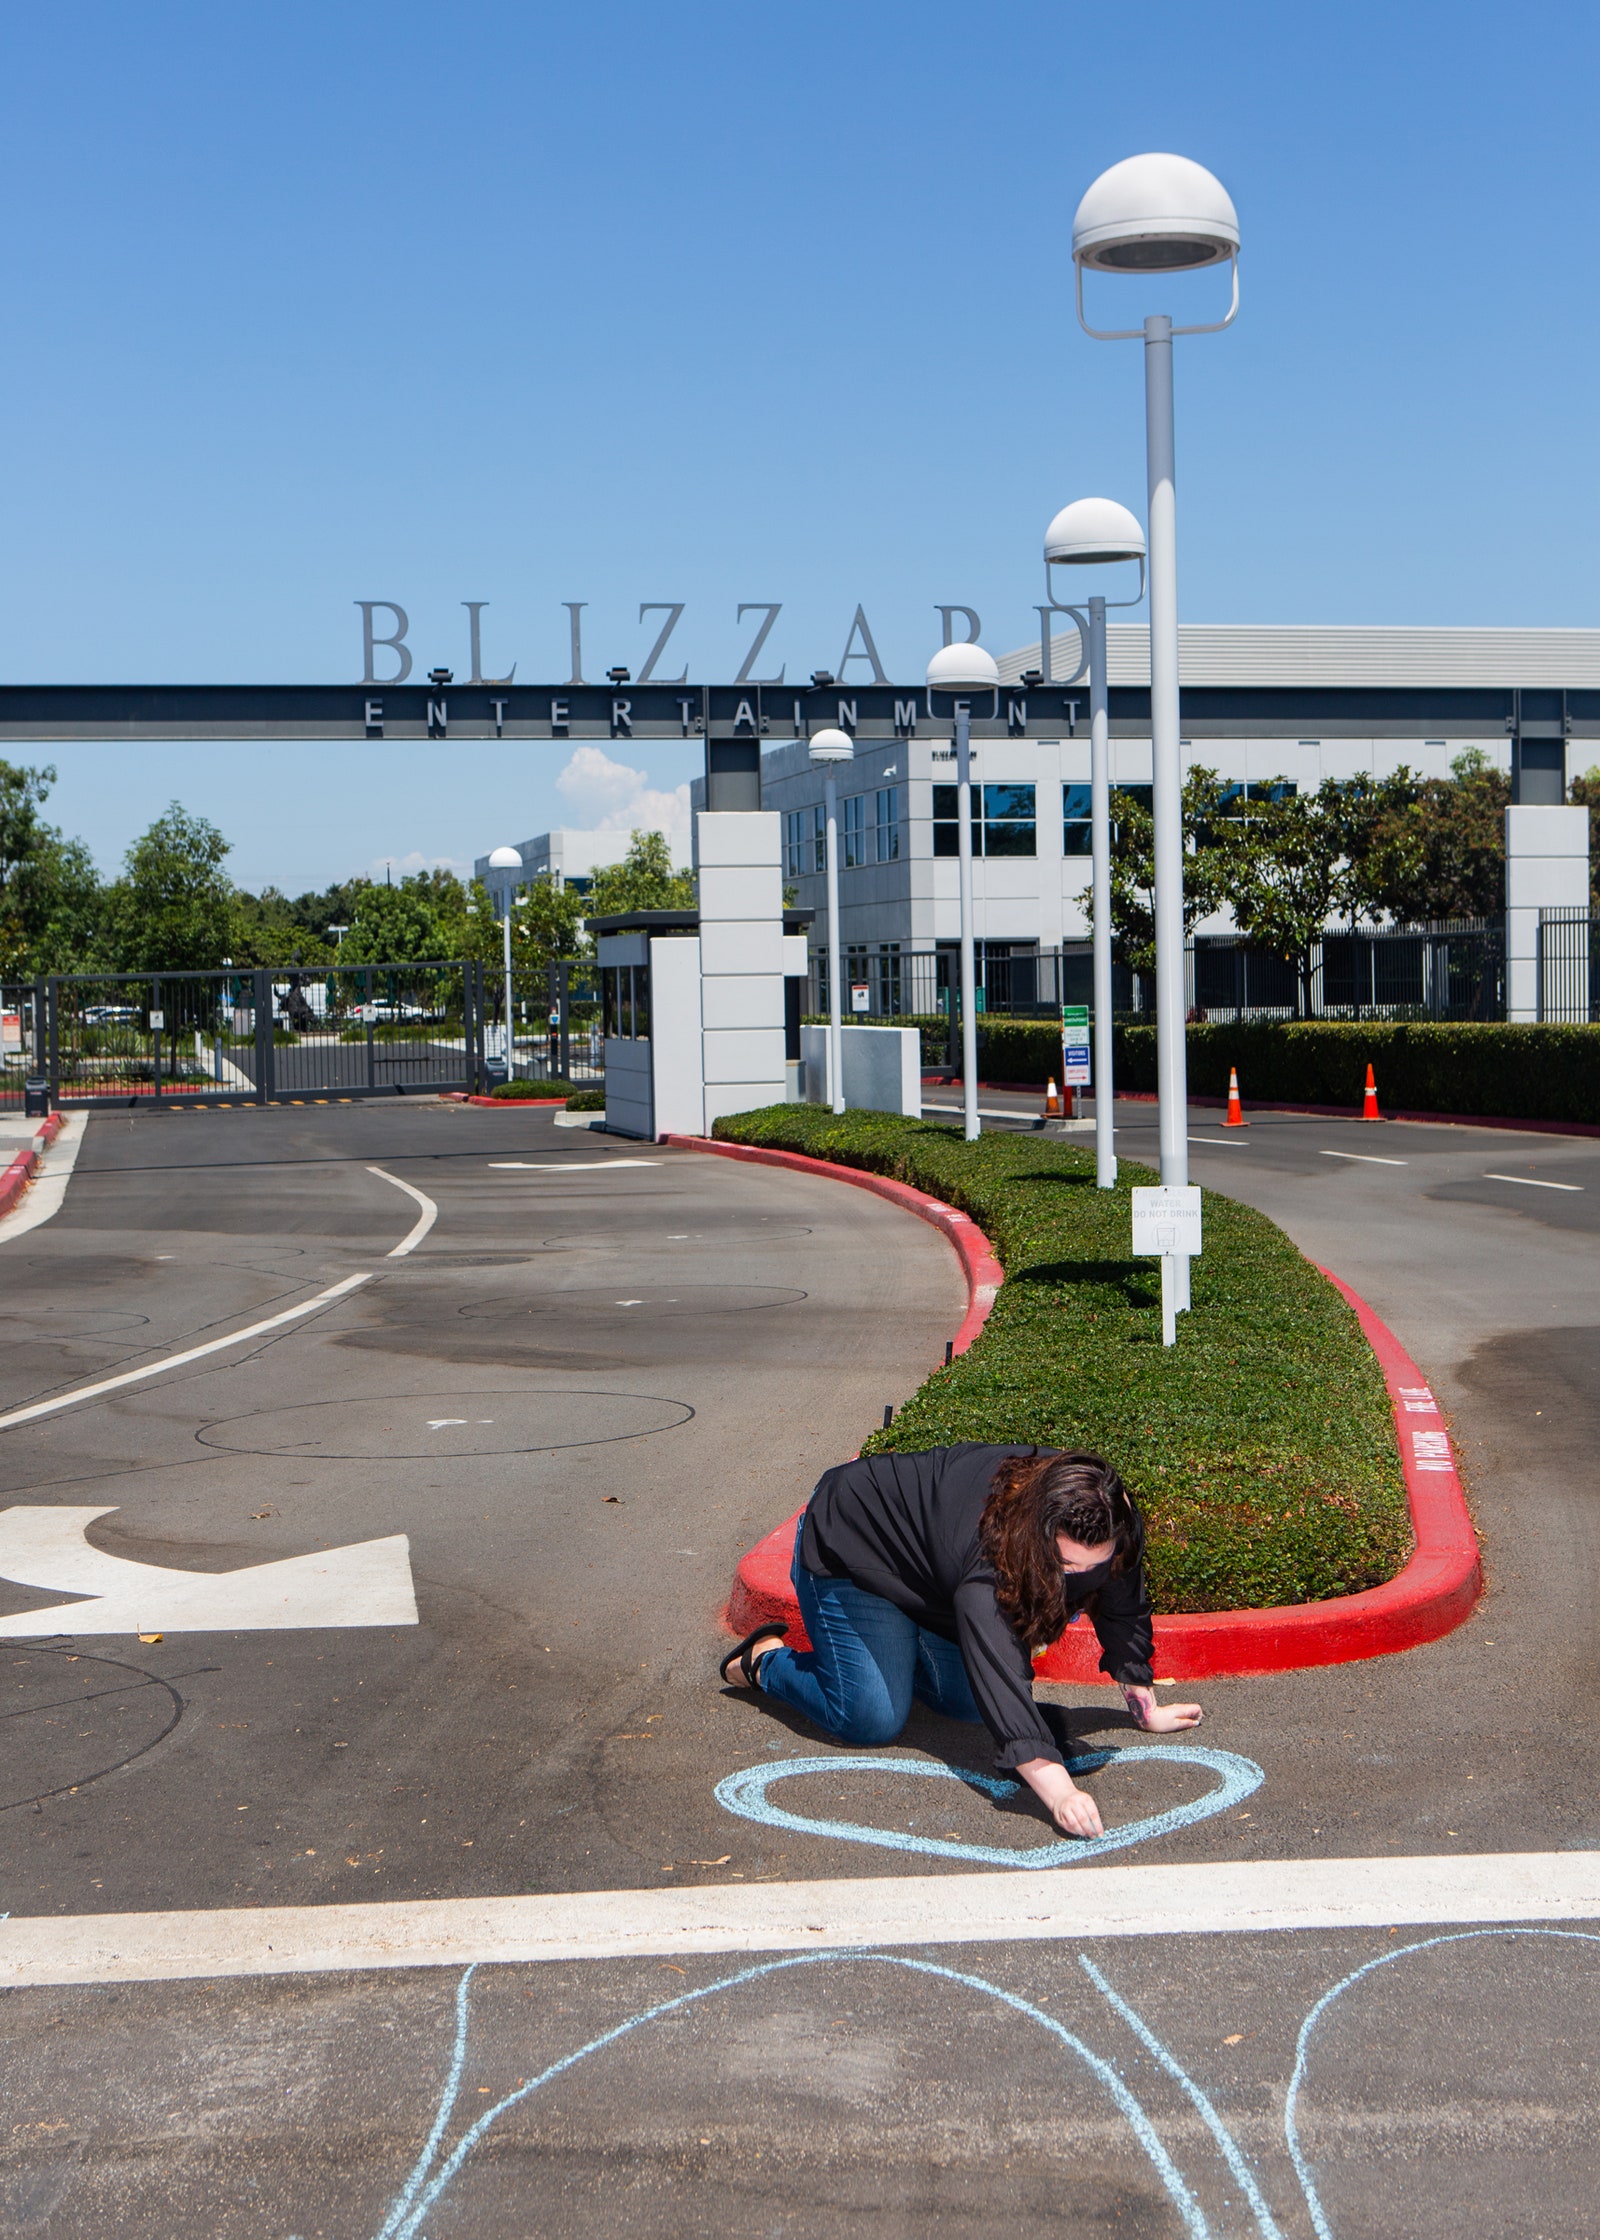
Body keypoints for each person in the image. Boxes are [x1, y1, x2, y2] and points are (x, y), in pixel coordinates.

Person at [719, 1445, 1201, 1841]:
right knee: (871, 1717)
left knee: (969, 1706)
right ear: (1038, 1532)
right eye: (1064, 1565)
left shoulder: (1105, 1511)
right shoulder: (992, 1559)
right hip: (854, 1545)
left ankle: (892, 1649)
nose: (1076, 1578)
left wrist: (1140, 1693)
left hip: (930, 1576)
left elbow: (1120, 1598)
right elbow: (1001, 1672)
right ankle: (763, 1662)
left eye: (1090, 1565)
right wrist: (1059, 1794)